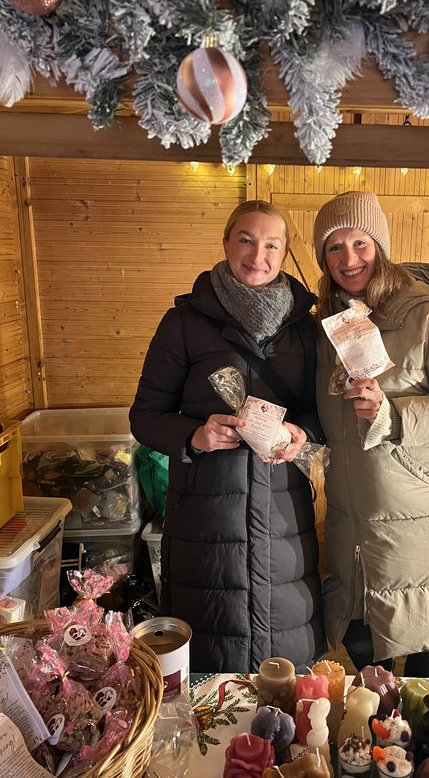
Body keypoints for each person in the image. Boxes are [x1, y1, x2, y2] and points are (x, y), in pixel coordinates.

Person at [130, 199, 326, 673]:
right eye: (246, 240)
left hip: (284, 513)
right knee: (210, 660)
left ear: (284, 254)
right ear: (226, 244)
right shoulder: (183, 323)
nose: (258, 255)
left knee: (286, 665)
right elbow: (145, 416)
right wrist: (195, 436)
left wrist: (302, 433)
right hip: (205, 519)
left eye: (271, 245)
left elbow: (322, 413)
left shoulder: (305, 329)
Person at [313, 191, 429, 677]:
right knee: (360, 634)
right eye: (334, 247)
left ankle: (418, 726)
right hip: (356, 518)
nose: (349, 259)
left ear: (381, 246)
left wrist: (394, 414)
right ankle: (378, 722)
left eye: (360, 243)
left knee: (427, 649)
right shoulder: (330, 326)